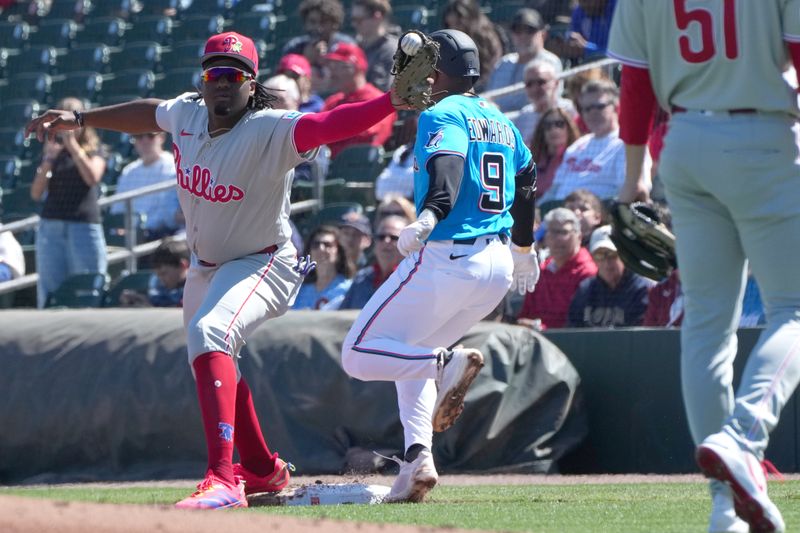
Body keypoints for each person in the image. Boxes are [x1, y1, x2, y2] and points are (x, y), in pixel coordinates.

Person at [27, 30, 408, 510]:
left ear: (251, 83)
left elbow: (330, 124)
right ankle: (264, 469)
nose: (222, 83)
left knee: (210, 334)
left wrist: (390, 102)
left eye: (234, 74)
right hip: (206, 267)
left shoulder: (271, 128)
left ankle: (224, 480)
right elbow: (150, 111)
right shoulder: (188, 111)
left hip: (263, 261)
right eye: (214, 73)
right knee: (208, 353)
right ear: (203, 81)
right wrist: (81, 118)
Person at [609, 2, 800, 531]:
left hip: (685, 142)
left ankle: (726, 508)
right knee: (795, 306)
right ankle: (742, 437)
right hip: (763, 136)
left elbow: (637, 81)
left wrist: (633, 176)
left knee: (707, 325)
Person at [340, 29, 539, 504]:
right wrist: (525, 248)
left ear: (440, 70)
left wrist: (429, 215)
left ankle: (444, 364)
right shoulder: (500, 118)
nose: (418, 72)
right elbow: (528, 181)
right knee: (412, 348)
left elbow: (448, 164)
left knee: (359, 354)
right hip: (496, 266)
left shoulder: (442, 111)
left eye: (428, 63)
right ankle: (417, 461)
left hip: (449, 254)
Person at [30, 97, 107, 309]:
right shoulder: (52, 152)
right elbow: (36, 193)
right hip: (51, 226)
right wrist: (48, 159)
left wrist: (73, 146)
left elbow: (92, 177)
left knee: (88, 288)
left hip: (83, 226)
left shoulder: (94, 150)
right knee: (51, 288)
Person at [540, 79, 634, 203]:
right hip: (561, 211)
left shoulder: (625, 144)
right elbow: (555, 189)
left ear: (616, 107)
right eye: (587, 109)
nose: (592, 113)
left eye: (599, 107)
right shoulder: (577, 146)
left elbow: (628, 191)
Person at [517, 207, 596, 330]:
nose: (557, 238)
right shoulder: (540, 271)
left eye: (564, 232)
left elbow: (580, 326)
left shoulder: (588, 273)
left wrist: (541, 328)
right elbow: (525, 315)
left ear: (579, 237)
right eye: (553, 232)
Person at [566, 225, 653, 327]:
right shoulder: (585, 290)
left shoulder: (641, 289)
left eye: (612, 255)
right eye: (599, 255)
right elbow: (573, 328)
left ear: (624, 255)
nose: (607, 262)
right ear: (592, 258)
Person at [321, 42, 397, 159]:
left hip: (359, 167)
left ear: (355, 67)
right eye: (330, 66)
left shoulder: (377, 99)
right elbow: (319, 136)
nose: (331, 72)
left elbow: (371, 139)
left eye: (337, 65)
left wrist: (333, 132)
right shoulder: (332, 102)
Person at [486, 8, 563, 113]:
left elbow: (549, 103)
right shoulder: (503, 63)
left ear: (543, 35)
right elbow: (489, 98)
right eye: (518, 31)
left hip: (532, 123)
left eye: (529, 31)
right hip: (499, 124)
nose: (523, 36)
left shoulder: (549, 63)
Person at [110, 131, 182, 241]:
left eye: (150, 135)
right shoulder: (129, 171)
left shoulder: (174, 167)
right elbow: (117, 210)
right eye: (139, 136)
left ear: (161, 137)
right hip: (130, 235)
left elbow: (169, 216)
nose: (145, 141)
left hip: (159, 236)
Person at [339, 214, 407, 310]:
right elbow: (341, 316)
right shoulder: (361, 279)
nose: (386, 241)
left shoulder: (413, 280)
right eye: (381, 237)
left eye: (394, 238)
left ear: (408, 243)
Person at [441, 0, 505, 92]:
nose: (453, 30)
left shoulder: (488, 39)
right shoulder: (449, 43)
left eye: (458, 24)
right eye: (449, 25)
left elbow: (491, 74)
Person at [281, 0, 356, 77]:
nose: (318, 28)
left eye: (323, 22)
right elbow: (284, 80)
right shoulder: (294, 48)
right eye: (312, 22)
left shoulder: (347, 46)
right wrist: (305, 60)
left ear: (334, 23)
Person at [513, 60, 577, 145]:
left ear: (556, 83)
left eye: (541, 82)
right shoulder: (524, 116)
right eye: (529, 84)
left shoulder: (569, 110)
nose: (535, 89)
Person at [292, 225, 354, 310]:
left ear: (339, 253)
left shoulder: (350, 289)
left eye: (328, 245)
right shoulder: (298, 291)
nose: (321, 249)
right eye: (315, 245)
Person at [119, 238, 190, 308]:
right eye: (158, 275)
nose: (161, 279)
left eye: (164, 273)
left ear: (183, 265)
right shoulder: (162, 290)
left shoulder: (196, 291)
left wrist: (150, 308)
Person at [529, 108, 581, 202]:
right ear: (542, 132)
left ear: (569, 128)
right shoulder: (531, 161)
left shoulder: (578, 157)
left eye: (559, 124)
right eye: (547, 126)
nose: (554, 129)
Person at [350, 0, 398, 92]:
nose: (354, 24)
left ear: (377, 17)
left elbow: (387, 91)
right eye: (353, 20)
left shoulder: (391, 50)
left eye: (359, 20)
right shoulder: (355, 47)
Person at [548, 0, 616, 64]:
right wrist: (565, 46)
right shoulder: (580, 11)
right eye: (581, 0)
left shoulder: (617, 10)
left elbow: (618, 53)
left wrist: (587, 48)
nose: (584, 5)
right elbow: (572, 36)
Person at [375, 112, 417, 201]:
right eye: (419, 116)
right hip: (399, 204)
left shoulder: (444, 149)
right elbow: (381, 187)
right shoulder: (403, 150)